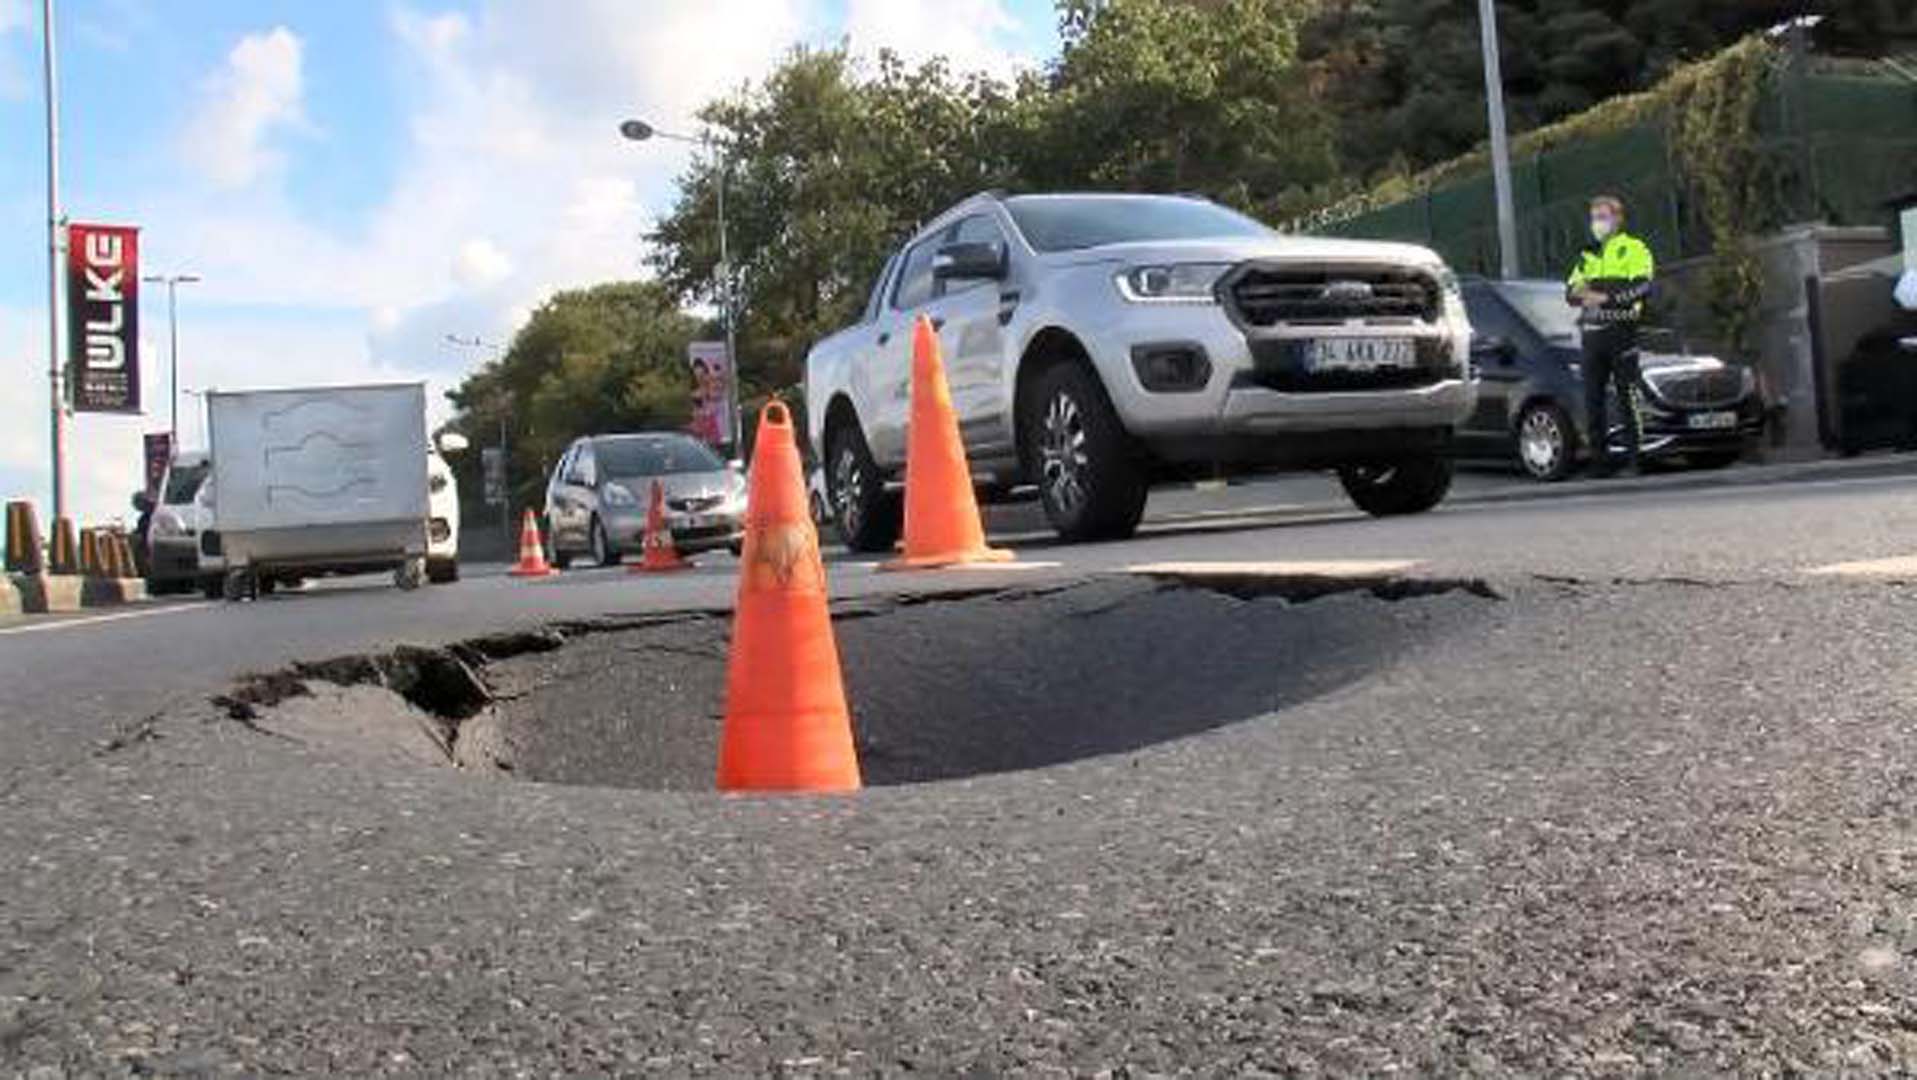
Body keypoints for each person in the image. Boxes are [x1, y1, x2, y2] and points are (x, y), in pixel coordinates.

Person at [1566, 194, 1656, 476]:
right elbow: (1571, 293)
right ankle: (1599, 461)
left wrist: (1605, 297)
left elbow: (1643, 286)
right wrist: (1595, 295)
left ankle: (1635, 459)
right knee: (1592, 399)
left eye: (1603, 217)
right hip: (1592, 334)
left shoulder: (1634, 248)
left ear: (1618, 219)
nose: (1598, 223)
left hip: (1621, 330)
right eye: (1595, 218)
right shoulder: (1587, 255)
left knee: (1627, 396)